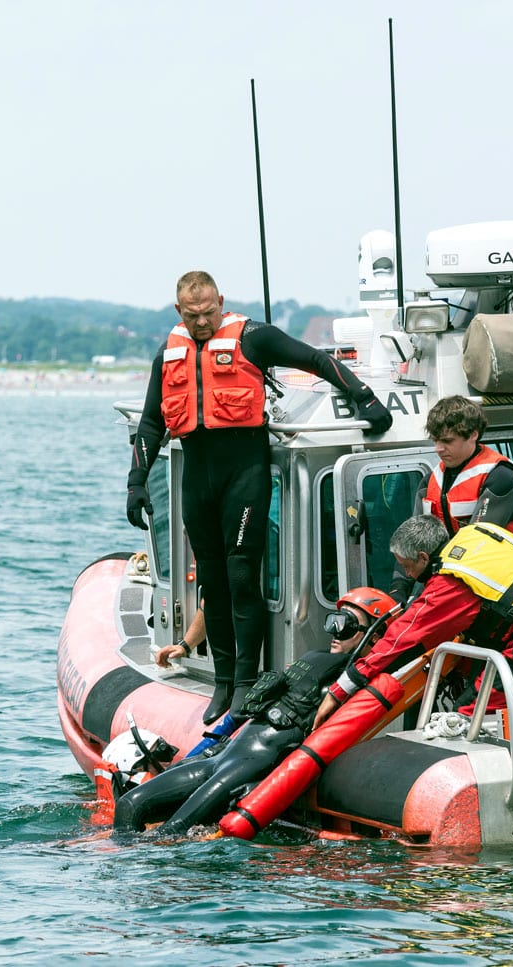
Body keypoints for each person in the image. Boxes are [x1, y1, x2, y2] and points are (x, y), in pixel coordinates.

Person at [126, 270, 394, 724]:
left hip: (245, 473)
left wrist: (363, 396)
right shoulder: (167, 354)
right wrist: (137, 481)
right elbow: (152, 422)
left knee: (242, 575)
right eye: (193, 316)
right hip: (198, 478)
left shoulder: (253, 337)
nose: (203, 322)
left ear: (221, 302)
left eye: (209, 312)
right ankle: (224, 679)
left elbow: (312, 359)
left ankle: (246, 682)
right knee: (212, 579)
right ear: (179, 312)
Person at [113, 588, 398, 835]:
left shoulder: (350, 682)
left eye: (346, 625)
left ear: (373, 636)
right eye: (332, 622)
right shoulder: (315, 660)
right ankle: (118, 867)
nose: (334, 632)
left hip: (250, 764)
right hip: (225, 755)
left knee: (174, 830)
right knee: (128, 806)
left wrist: (260, 785)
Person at [315, 515, 513, 727]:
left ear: (423, 556)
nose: (407, 576)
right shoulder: (480, 532)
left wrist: (343, 688)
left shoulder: (451, 583)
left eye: (407, 567)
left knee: (466, 716)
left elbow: (404, 638)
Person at [390, 395, 513, 602]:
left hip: (505, 583)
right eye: (436, 440)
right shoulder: (429, 481)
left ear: (473, 435)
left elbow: (477, 546)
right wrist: (398, 591)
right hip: (453, 579)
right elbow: (410, 544)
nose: (438, 448)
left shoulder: (500, 477)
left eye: (447, 441)